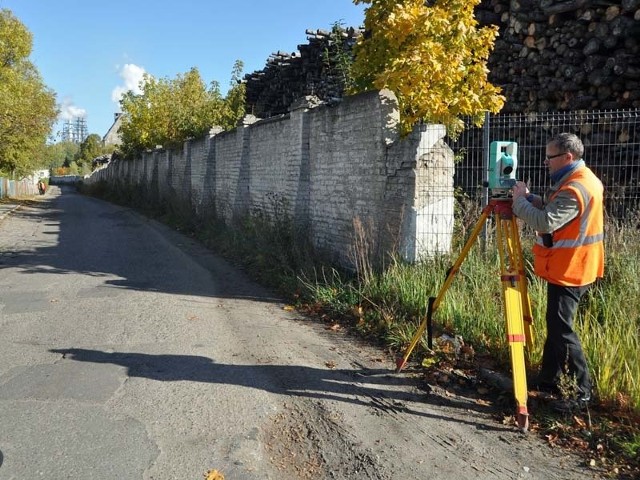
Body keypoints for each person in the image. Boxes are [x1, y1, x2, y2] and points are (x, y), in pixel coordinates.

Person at [511, 132, 604, 411]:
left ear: (567, 157)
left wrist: (518, 203)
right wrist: (530, 197)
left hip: (572, 267)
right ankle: (548, 380)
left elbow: (546, 221)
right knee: (555, 325)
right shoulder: (578, 179)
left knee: (563, 330)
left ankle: (582, 392)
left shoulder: (577, 188)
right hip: (572, 264)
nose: (546, 162)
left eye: (550, 157)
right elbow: (555, 207)